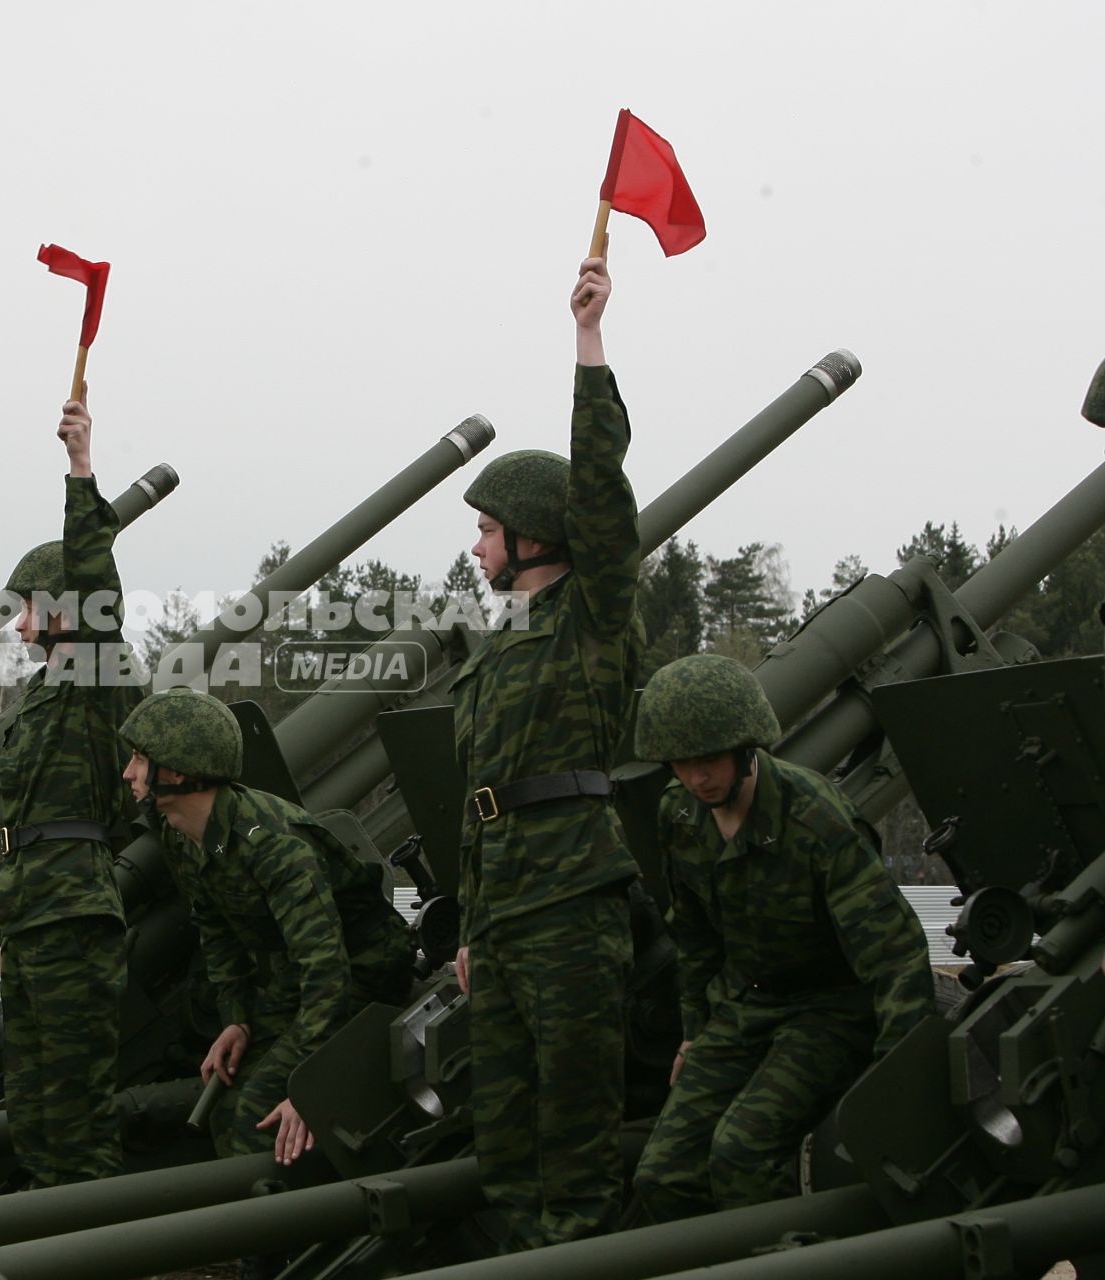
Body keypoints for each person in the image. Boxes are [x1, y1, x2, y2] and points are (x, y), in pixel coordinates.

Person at [450, 254, 643, 1251]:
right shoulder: (498, 655)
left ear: (531, 536)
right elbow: (484, 803)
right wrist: (476, 925)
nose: (478, 547)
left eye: (488, 529)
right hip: (511, 918)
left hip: (573, 909)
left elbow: (604, 498)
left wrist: (589, 342)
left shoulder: (591, 619)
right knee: (507, 1148)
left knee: (573, 1147)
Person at [629, 653, 932, 1220]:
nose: (697, 778)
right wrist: (694, 1034)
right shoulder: (679, 816)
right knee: (664, 1172)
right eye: (680, 763)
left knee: (740, 1155)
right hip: (747, 1005)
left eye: (710, 759)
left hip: (830, 1013)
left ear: (746, 747)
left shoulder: (812, 817)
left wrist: (899, 1072)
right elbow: (694, 941)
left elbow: (894, 953)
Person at [120, 687, 415, 1165]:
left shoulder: (273, 845)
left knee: (256, 1114)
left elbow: (328, 970)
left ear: (174, 769)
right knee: (221, 1104)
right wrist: (236, 1019)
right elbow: (217, 935)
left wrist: (312, 1079)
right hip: (298, 983)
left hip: (364, 977)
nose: (127, 773)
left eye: (138, 759)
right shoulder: (181, 834)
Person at [0, 397, 143, 1188]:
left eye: (26, 607)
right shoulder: (42, 692)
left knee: (76, 1105)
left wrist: (81, 467)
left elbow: (96, 589)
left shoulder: (92, 675)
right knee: (32, 1098)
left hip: (73, 910)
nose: (18, 625)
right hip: (30, 911)